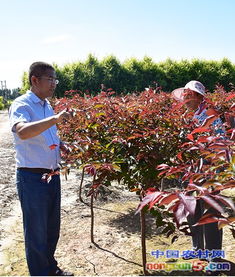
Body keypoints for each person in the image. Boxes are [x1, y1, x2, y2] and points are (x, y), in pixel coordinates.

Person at [9, 62, 73, 276]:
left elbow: (47, 135)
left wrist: (61, 144)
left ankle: (50, 268)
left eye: (56, 79)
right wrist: (55, 119)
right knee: (36, 232)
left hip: (51, 176)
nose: (54, 84)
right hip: (32, 178)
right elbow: (23, 132)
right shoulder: (22, 104)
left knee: (51, 229)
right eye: (50, 79)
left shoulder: (46, 105)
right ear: (35, 80)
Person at [172, 80, 223, 254]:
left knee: (209, 214)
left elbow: (222, 144)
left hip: (209, 171)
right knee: (192, 210)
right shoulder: (188, 117)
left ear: (196, 96)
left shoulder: (210, 116)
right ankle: (197, 249)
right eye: (184, 96)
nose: (184, 100)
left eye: (187, 96)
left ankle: (213, 256)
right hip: (191, 171)